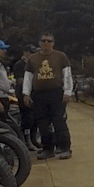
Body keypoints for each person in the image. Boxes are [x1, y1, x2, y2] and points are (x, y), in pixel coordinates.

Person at [22, 32, 73, 160]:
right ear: (39, 43)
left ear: (53, 43)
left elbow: (67, 75)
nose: (46, 43)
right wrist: (26, 94)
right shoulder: (32, 59)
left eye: (49, 41)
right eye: (44, 41)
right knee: (42, 122)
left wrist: (67, 92)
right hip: (39, 95)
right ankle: (47, 149)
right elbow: (28, 77)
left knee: (58, 121)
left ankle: (65, 148)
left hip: (56, 93)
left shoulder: (61, 56)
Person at [12, 45, 39, 149]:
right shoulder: (20, 64)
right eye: (31, 52)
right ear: (25, 52)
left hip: (34, 94)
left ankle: (33, 139)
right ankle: (27, 141)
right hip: (23, 94)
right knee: (27, 118)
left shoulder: (34, 63)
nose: (33, 55)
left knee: (35, 118)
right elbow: (19, 80)